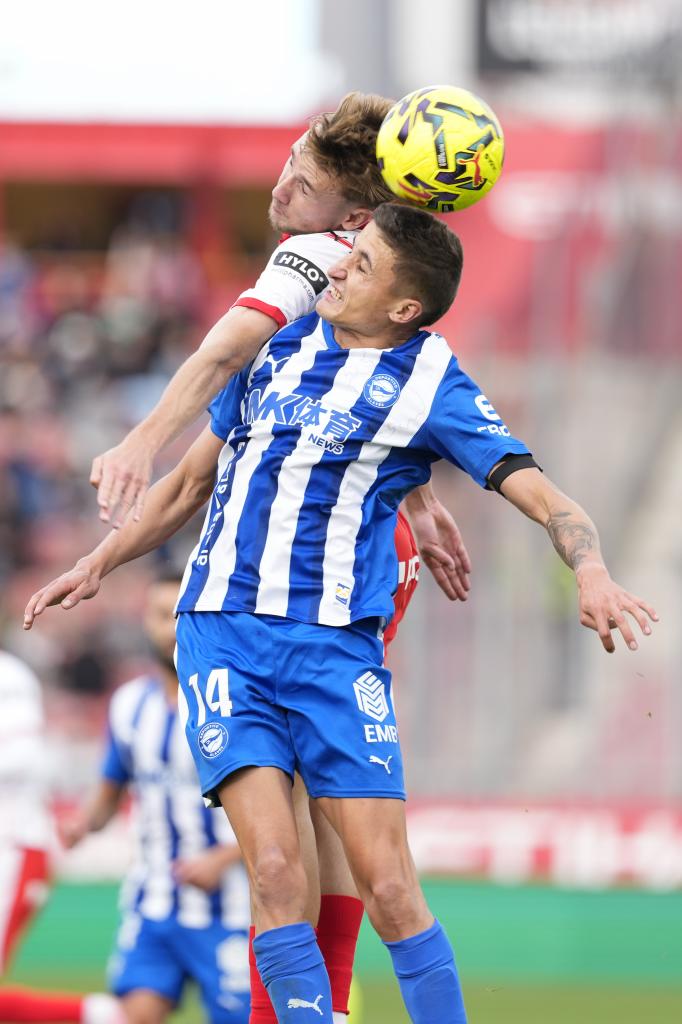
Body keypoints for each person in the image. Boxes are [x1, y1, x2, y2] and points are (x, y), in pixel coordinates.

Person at [24, 204, 658, 1023]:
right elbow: (185, 486)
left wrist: (593, 569)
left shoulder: (432, 383)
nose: (338, 270)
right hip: (220, 635)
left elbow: (545, 494)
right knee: (278, 875)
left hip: (333, 652)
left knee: (390, 887)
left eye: (361, 266)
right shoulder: (276, 348)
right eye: (347, 255)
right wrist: (96, 563)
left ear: (404, 308)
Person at [61, 571, 251, 1024]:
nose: (170, 629)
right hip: (154, 903)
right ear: (145, 623)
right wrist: (82, 823)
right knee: (128, 1016)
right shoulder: (129, 704)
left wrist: (222, 859)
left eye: (179, 616)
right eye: (160, 616)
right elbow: (109, 795)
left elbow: (283, 810)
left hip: (232, 908)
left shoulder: (234, 703)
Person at [0, 648, 122, 1024]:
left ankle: (100, 1016)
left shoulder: (8, 675)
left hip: (11, 845)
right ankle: (97, 1015)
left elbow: (23, 759)